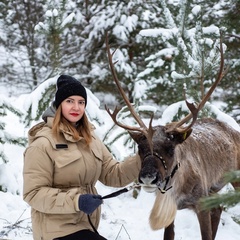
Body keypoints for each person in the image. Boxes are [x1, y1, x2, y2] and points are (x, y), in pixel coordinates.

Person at [23, 75, 141, 240]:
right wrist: (76, 201)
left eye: (81, 102)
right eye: (69, 101)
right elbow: (33, 194)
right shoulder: (42, 144)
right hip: (55, 231)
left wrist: (142, 159)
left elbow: (114, 175)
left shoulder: (90, 139)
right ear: (59, 104)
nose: (76, 107)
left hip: (86, 227)